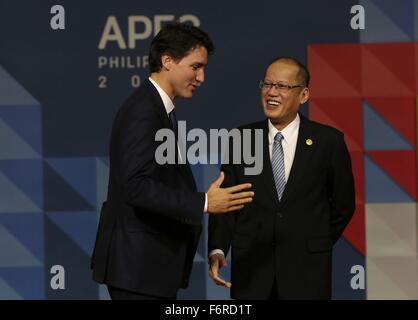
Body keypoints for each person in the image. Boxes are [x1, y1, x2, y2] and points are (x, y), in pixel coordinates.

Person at [91, 22, 254, 300]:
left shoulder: (157, 109)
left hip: (148, 268)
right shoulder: (143, 111)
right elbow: (136, 186)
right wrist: (204, 202)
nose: (201, 77)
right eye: (195, 66)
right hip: (137, 269)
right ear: (167, 60)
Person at [208, 56, 355, 299]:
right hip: (252, 273)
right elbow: (226, 202)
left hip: (307, 273)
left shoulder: (329, 141)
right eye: (267, 85)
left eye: (282, 86)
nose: (272, 92)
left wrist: (313, 240)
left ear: (304, 95)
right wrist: (217, 249)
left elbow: (343, 205)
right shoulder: (241, 138)